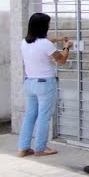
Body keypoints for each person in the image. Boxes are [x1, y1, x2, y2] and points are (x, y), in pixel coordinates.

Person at [18, 12, 73, 157]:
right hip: (45, 84)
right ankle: (40, 148)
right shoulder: (46, 44)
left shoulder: (24, 42)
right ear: (43, 26)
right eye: (48, 24)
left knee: (30, 116)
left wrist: (58, 39)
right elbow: (61, 60)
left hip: (29, 82)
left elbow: (43, 42)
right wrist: (67, 47)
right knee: (44, 116)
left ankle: (23, 148)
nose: (49, 26)